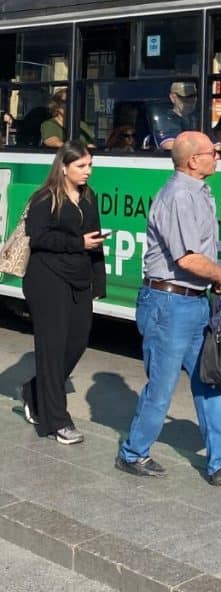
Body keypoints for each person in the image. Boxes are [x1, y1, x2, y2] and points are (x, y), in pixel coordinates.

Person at [115, 131, 221, 485]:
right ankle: (133, 453)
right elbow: (187, 258)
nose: (218, 157)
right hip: (169, 304)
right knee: (163, 386)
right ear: (192, 160)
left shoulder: (198, 191)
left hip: (193, 302)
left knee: (209, 379)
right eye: (213, 152)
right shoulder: (179, 195)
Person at [20, 141, 107, 444]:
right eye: (82, 166)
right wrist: (77, 244)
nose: (88, 171)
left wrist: (99, 281)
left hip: (79, 279)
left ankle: (35, 391)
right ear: (64, 167)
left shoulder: (89, 197)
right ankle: (57, 421)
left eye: (90, 165)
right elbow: (38, 237)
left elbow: (95, 239)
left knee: (77, 342)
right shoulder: (46, 197)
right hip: (47, 279)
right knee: (52, 349)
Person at [152, 82, 198, 150]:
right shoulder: (164, 120)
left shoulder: (199, 118)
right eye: (185, 98)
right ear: (173, 98)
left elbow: (215, 143)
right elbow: (169, 145)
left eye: (193, 97)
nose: (190, 101)